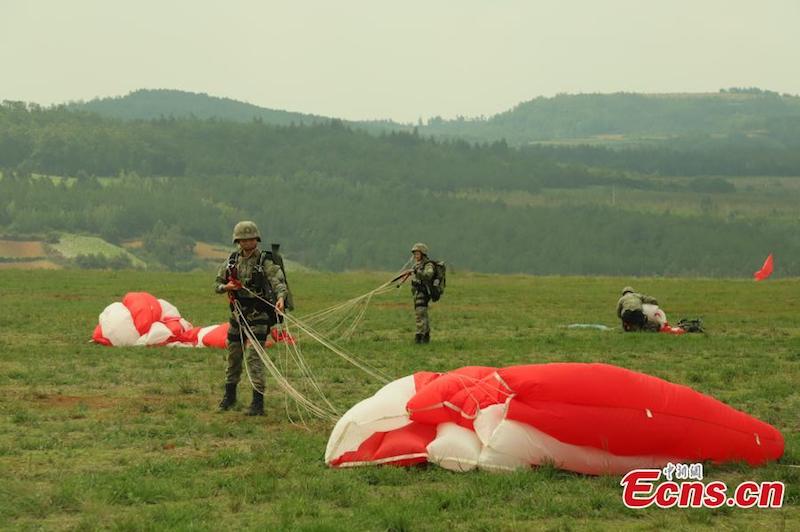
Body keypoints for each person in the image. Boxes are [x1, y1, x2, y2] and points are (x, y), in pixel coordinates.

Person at [215, 221, 288, 415]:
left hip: (259, 315)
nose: (248, 243)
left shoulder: (265, 261)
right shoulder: (231, 261)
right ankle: (229, 396)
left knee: (254, 358)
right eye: (243, 240)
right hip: (238, 315)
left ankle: (257, 403)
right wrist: (227, 288)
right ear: (237, 241)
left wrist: (281, 299)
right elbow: (217, 285)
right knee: (234, 356)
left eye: (251, 239)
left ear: (257, 239)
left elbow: (278, 282)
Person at [410, 242, 435, 344]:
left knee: (420, 314)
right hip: (417, 292)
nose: (416, 256)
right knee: (422, 314)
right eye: (415, 254)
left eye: (417, 254)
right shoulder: (417, 265)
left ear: (423, 254)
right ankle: (426, 335)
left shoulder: (428, 264)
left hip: (424, 292)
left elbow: (428, 275)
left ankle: (420, 335)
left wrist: (417, 272)